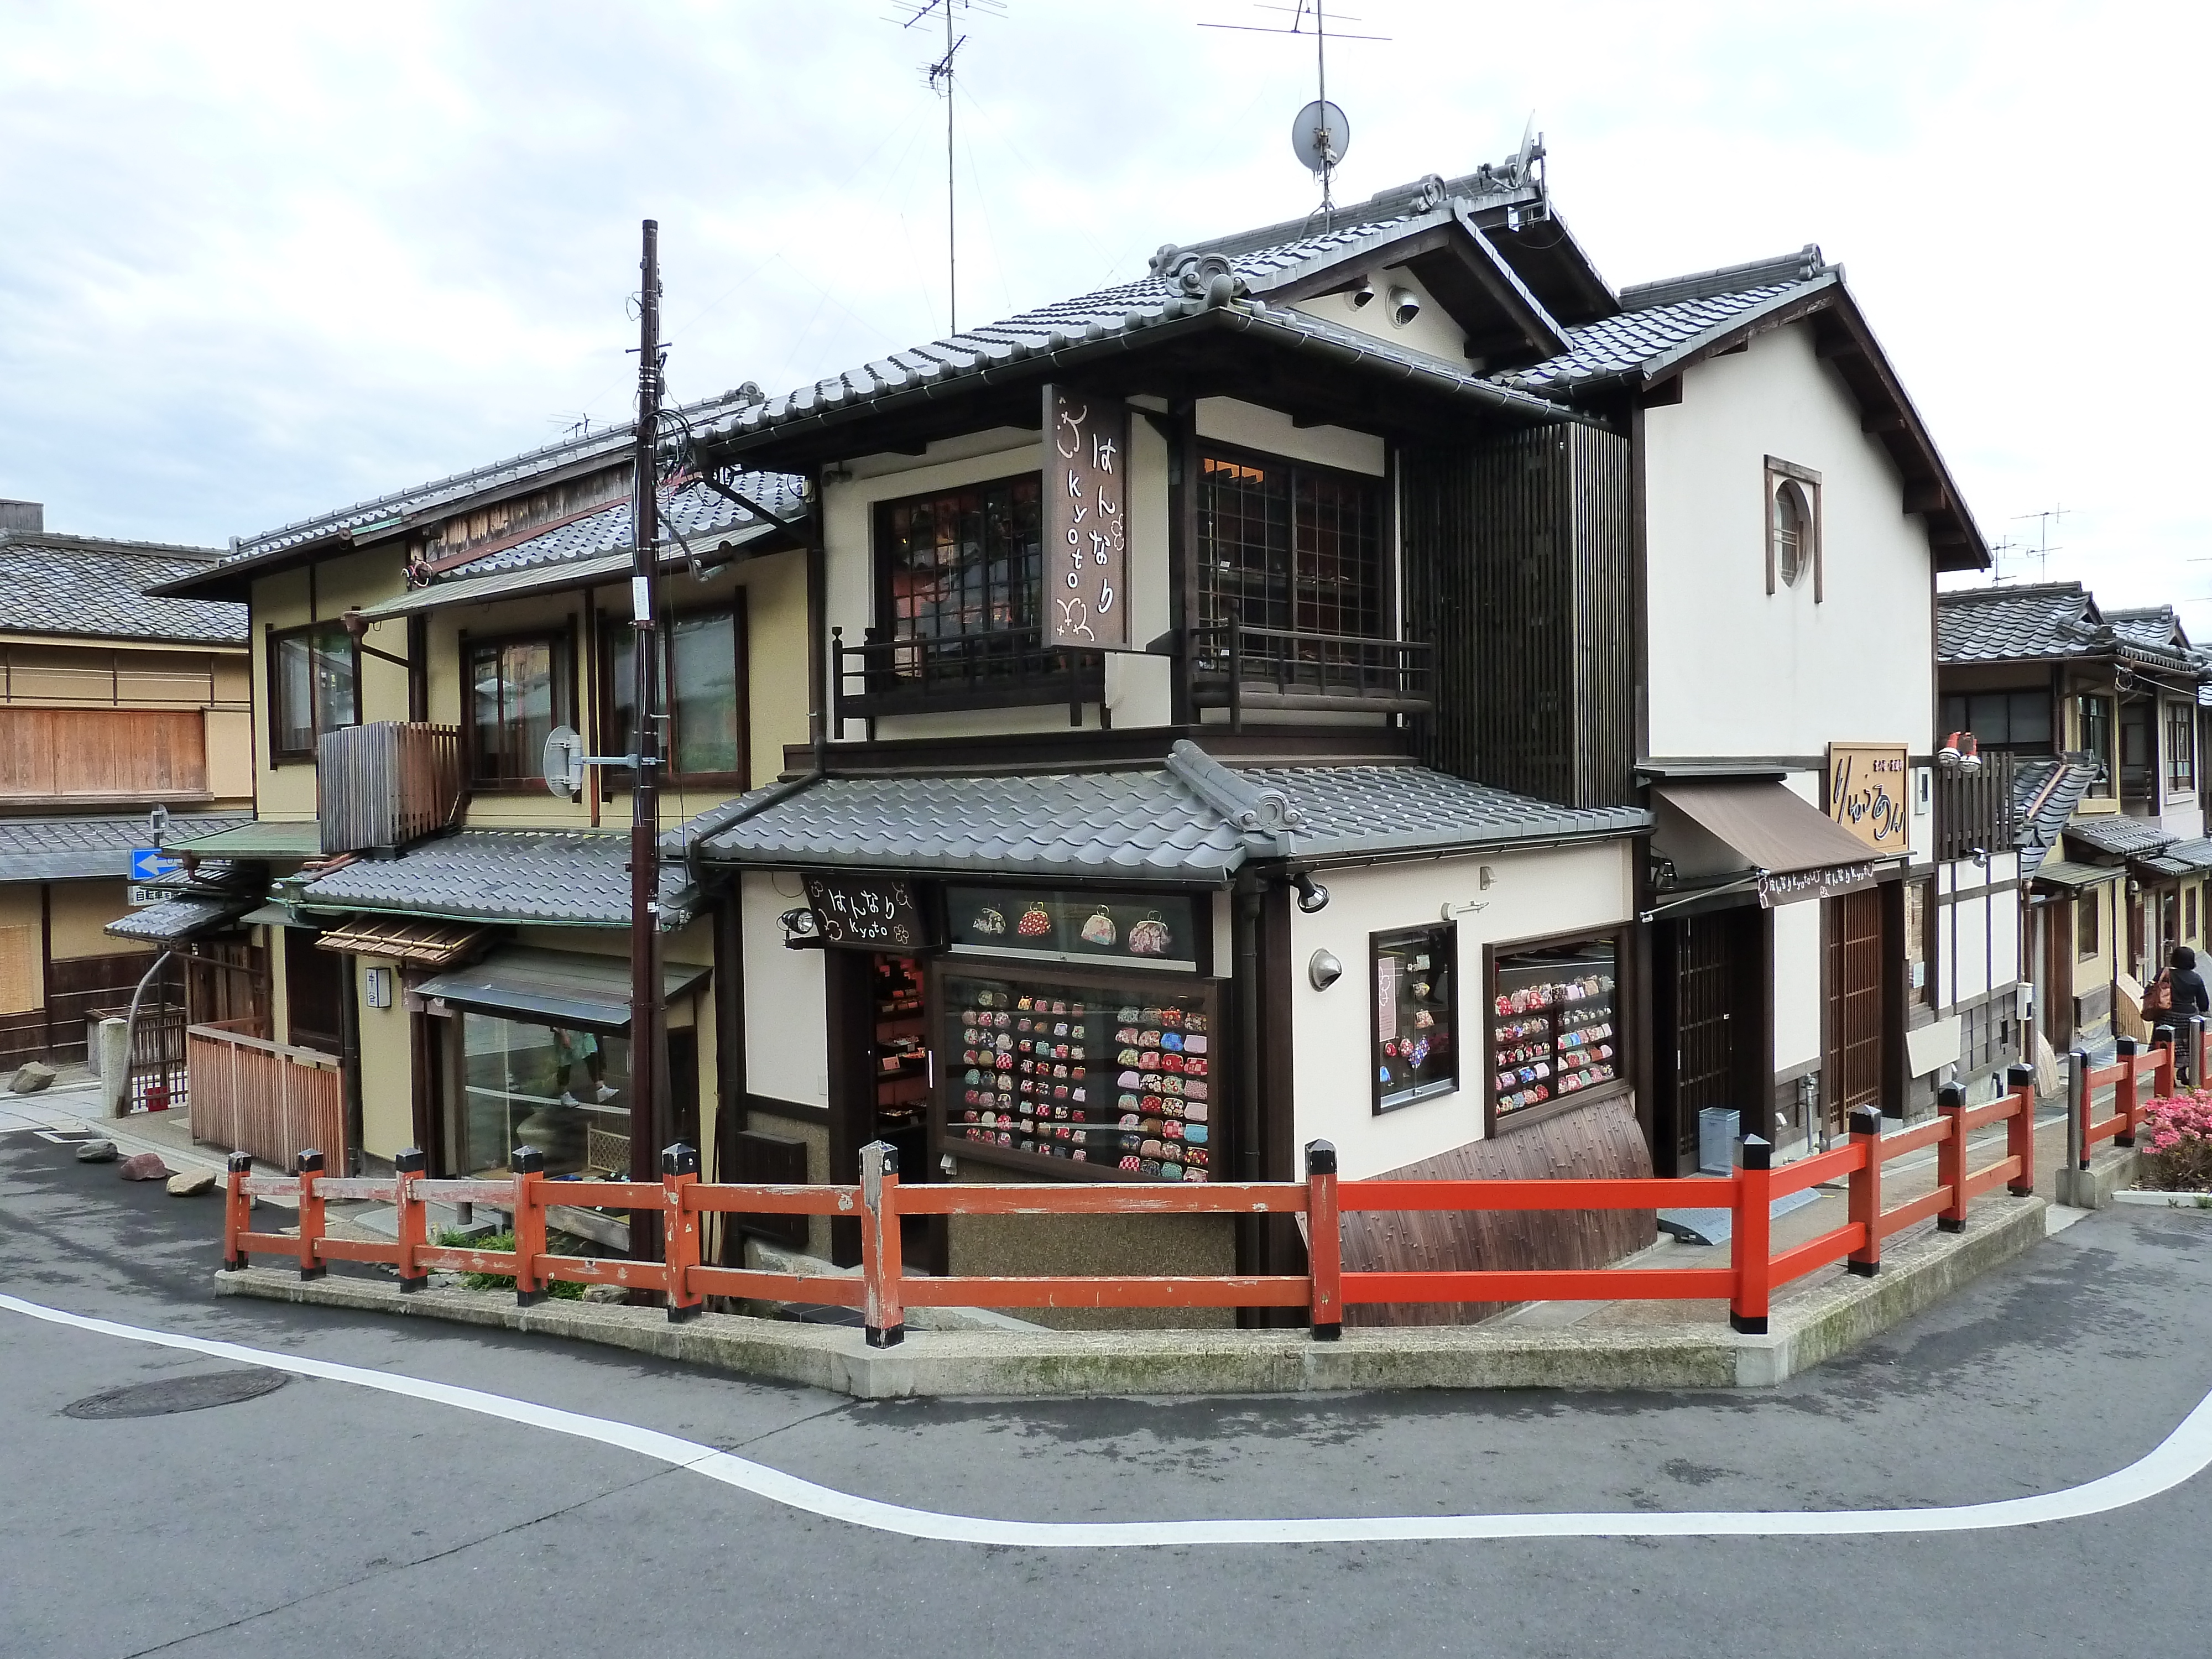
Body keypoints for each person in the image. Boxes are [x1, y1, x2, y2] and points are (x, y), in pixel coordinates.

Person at [552, 1026, 618, 1107]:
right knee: (565, 1064)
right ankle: (564, 1094)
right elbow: (559, 1018)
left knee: (593, 1055)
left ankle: (600, 1088)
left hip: (583, 1031)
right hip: (568, 1031)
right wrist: (563, 1034)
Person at [2166, 946, 2211, 1019]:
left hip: (2165, 1015)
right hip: (2187, 1017)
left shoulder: (2164, 974)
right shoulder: (2196, 979)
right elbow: (2203, 1005)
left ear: (2173, 959)